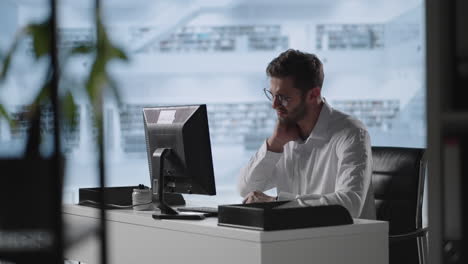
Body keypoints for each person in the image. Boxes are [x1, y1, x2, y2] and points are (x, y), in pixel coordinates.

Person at [237, 49, 375, 219]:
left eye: (283, 97)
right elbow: (245, 188)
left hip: (341, 240)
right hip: (297, 238)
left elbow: (349, 205)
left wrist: (279, 202)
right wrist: (274, 145)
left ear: (313, 94)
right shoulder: (285, 135)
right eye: (272, 95)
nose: (274, 105)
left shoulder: (351, 133)